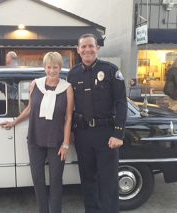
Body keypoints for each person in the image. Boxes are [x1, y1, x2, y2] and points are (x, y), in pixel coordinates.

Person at [0, 52, 74, 213]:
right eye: (49, 67)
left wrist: (66, 144)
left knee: (56, 181)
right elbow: (29, 108)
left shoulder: (67, 88)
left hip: (57, 141)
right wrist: (14, 122)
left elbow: (69, 117)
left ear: (60, 68)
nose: (52, 71)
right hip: (35, 138)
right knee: (38, 180)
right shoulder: (36, 84)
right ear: (44, 67)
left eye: (55, 67)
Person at [67, 34, 127, 213]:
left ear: (97, 48)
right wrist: (69, 131)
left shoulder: (110, 70)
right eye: (83, 46)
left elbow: (121, 102)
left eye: (90, 46)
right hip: (83, 134)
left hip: (106, 133)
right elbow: (70, 107)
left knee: (107, 181)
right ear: (78, 50)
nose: (87, 50)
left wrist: (118, 133)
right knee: (87, 180)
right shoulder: (73, 73)